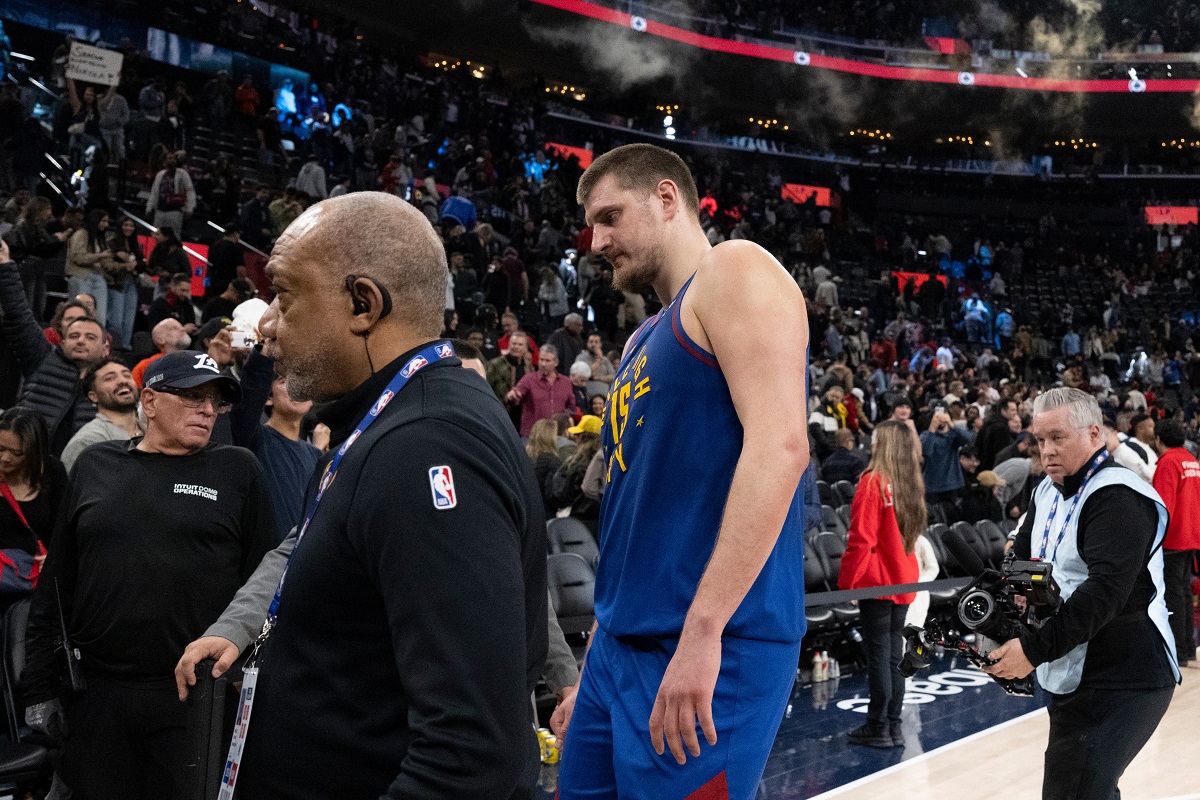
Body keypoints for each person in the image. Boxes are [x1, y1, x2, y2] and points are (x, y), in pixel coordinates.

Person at [173, 192, 547, 798]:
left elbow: (470, 754)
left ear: (362, 304)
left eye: (285, 295)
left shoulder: (427, 444)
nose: (266, 322)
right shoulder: (396, 419)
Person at [556, 143, 809, 799]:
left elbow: (782, 447)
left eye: (610, 216)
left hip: (710, 643)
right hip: (620, 647)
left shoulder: (736, 269)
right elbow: (633, 508)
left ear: (667, 198)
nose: (597, 240)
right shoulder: (642, 339)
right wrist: (597, 658)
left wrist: (702, 633)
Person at [22, 351, 273, 799]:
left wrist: (251, 680)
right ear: (151, 401)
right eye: (194, 396)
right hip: (97, 695)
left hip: (197, 698)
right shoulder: (94, 465)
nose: (208, 409)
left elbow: (266, 582)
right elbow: (56, 585)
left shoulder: (238, 469)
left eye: (215, 400)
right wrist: (39, 689)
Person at [984, 388, 1179, 799]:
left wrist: (1032, 650)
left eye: (1058, 437)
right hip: (1075, 665)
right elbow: (1018, 561)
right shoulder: (1044, 491)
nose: (1047, 451)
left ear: (1094, 434)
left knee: (1075, 789)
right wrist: (1011, 601)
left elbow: (1102, 594)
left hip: (1127, 672)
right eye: (1039, 440)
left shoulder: (1119, 496)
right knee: (1083, 788)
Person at [838, 421, 924, 748]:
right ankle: (894, 726)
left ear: (881, 444)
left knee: (879, 656)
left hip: (877, 582)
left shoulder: (873, 481)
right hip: (903, 578)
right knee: (893, 657)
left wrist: (849, 585)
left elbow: (861, 539)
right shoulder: (911, 483)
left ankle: (878, 727)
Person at [0, 244, 109, 455]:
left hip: (77, 475)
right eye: (74, 336)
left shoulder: (113, 378)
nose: (80, 341)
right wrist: (5, 264)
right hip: (25, 460)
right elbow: (19, 315)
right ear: (62, 341)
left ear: (105, 347)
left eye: (90, 337)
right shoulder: (42, 357)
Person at [228, 346, 321, 543]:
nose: (296, 389)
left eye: (301, 382)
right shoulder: (255, 439)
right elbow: (249, 398)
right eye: (285, 381)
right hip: (268, 565)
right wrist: (266, 350)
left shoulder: (317, 456)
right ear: (268, 397)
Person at [1150, 419, 1199, 668]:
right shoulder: (1191, 460)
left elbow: (1163, 504)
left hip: (1174, 536)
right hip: (1191, 534)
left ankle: (1178, 651)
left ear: (1159, 439)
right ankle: (1188, 649)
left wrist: (1152, 537)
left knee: (1175, 593)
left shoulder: (1168, 462)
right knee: (1183, 590)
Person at [0, 409, 64, 585]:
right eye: (0, 448)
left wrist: (53, 560)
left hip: (33, 577)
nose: (5, 458)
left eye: (16, 453)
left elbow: (61, 529)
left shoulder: (52, 472)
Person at [60, 359, 142, 471]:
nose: (122, 381)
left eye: (127, 375)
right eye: (109, 378)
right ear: (93, 396)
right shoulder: (87, 441)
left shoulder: (154, 430)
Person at [506, 344, 576, 437]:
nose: (543, 364)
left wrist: (562, 418)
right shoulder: (529, 379)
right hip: (532, 436)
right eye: (541, 360)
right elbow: (516, 396)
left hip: (557, 435)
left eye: (547, 361)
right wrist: (512, 396)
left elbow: (571, 408)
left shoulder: (566, 382)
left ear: (556, 363)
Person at [65, 209, 116, 329]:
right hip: (81, 277)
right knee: (78, 314)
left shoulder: (100, 238)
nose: (106, 225)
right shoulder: (81, 234)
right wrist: (99, 256)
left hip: (98, 278)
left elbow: (107, 263)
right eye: (103, 221)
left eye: (107, 221)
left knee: (99, 318)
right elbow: (76, 256)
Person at [105, 216, 146, 350]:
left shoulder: (136, 245)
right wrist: (118, 256)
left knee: (129, 317)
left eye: (131, 226)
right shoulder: (112, 242)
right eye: (126, 225)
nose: (128, 228)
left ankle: (126, 346)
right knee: (116, 318)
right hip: (116, 282)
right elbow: (107, 263)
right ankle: (114, 346)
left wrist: (137, 264)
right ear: (120, 226)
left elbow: (142, 265)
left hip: (132, 282)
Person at [145, 151, 196, 237]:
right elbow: (154, 193)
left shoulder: (182, 174)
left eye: (173, 158)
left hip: (175, 210)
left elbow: (189, 191)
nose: (171, 161)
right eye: (169, 158)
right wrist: (149, 208)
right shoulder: (160, 175)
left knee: (173, 236)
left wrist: (190, 208)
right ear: (165, 161)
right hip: (160, 210)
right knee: (157, 234)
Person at [132, 317, 193, 387]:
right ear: (160, 340)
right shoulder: (145, 367)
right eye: (174, 328)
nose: (183, 329)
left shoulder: (199, 359)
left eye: (181, 326)